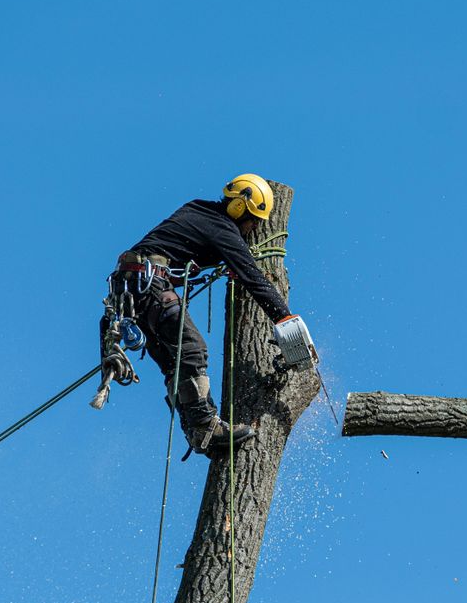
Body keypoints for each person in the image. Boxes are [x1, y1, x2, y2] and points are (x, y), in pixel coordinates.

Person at [96, 173, 312, 456]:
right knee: (192, 349)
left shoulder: (198, 209)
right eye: (254, 222)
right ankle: (204, 424)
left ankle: (198, 432)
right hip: (148, 286)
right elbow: (253, 278)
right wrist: (286, 320)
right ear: (239, 209)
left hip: (132, 290)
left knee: (176, 364)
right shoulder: (222, 228)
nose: (252, 229)